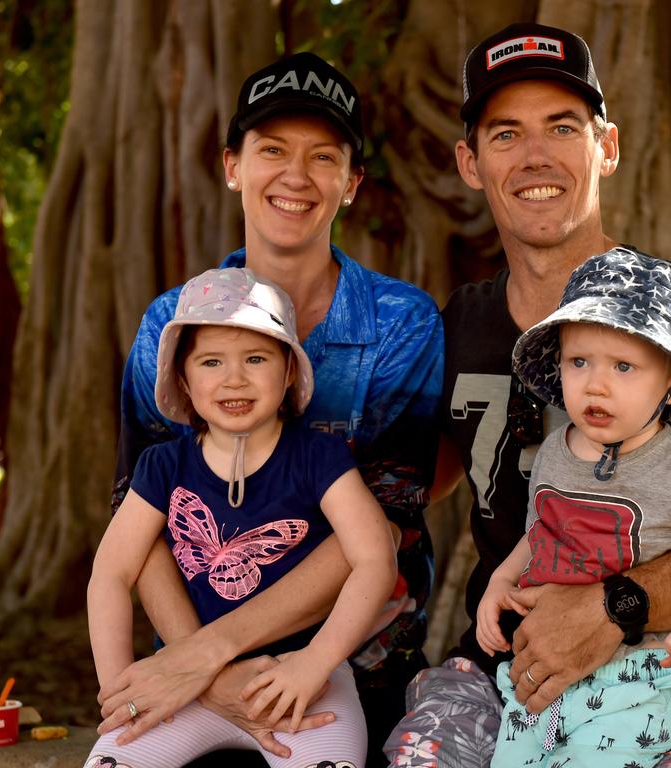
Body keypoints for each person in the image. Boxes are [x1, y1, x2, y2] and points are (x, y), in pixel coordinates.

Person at [385, 21, 671, 768]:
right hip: (509, 675)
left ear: (609, 147)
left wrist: (618, 607)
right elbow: (389, 490)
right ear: (469, 162)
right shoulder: (458, 324)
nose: (536, 156)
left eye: (563, 127)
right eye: (505, 134)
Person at [102, 52, 444, 768]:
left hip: (351, 665)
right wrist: (202, 667)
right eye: (272, 151)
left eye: (324, 157)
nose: (296, 176)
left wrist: (222, 653)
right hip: (191, 674)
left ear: (351, 184)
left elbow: (386, 522)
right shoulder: (170, 325)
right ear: (232, 165)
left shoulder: (400, 321)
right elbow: (137, 514)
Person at [85, 269, 397, 768]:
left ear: (290, 371)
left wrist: (317, 664)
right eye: (211, 362)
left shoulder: (320, 458)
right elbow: (111, 572)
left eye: (256, 359)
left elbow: (375, 559)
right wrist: (120, 687)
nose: (235, 378)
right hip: (184, 680)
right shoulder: (164, 466)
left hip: (294, 676)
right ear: (184, 380)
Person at [475, 248, 671, 766]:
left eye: (624, 366)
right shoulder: (554, 453)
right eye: (578, 361)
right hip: (541, 666)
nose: (595, 384)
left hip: (640, 675)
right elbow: (541, 533)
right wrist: (501, 580)